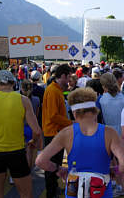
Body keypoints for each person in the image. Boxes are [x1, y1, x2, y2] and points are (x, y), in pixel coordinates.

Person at [36, 87, 124, 198]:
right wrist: (113, 171)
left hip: (74, 189)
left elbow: (40, 161)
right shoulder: (109, 133)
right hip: (101, 189)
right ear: (95, 111)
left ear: (74, 113)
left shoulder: (66, 133)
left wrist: (59, 169)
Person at [0, 70, 42, 198]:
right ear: (13, 83)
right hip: (16, 152)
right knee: (26, 194)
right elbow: (37, 131)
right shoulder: (23, 100)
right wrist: (33, 142)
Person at [42, 64, 73, 198]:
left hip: (56, 133)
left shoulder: (56, 89)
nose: (69, 81)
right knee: (51, 166)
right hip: (52, 134)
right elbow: (53, 116)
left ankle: (54, 189)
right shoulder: (53, 91)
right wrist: (71, 123)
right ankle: (51, 192)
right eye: (68, 77)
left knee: (56, 164)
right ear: (63, 76)